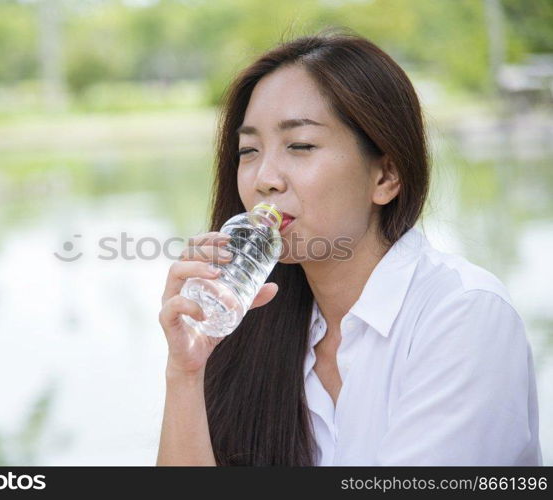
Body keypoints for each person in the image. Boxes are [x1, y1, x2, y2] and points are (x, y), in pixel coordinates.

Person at [156, 29, 542, 466]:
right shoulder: (254, 326)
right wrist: (185, 374)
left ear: (385, 176)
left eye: (300, 145)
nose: (265, 178)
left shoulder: (463, 315)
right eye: (248, 150)